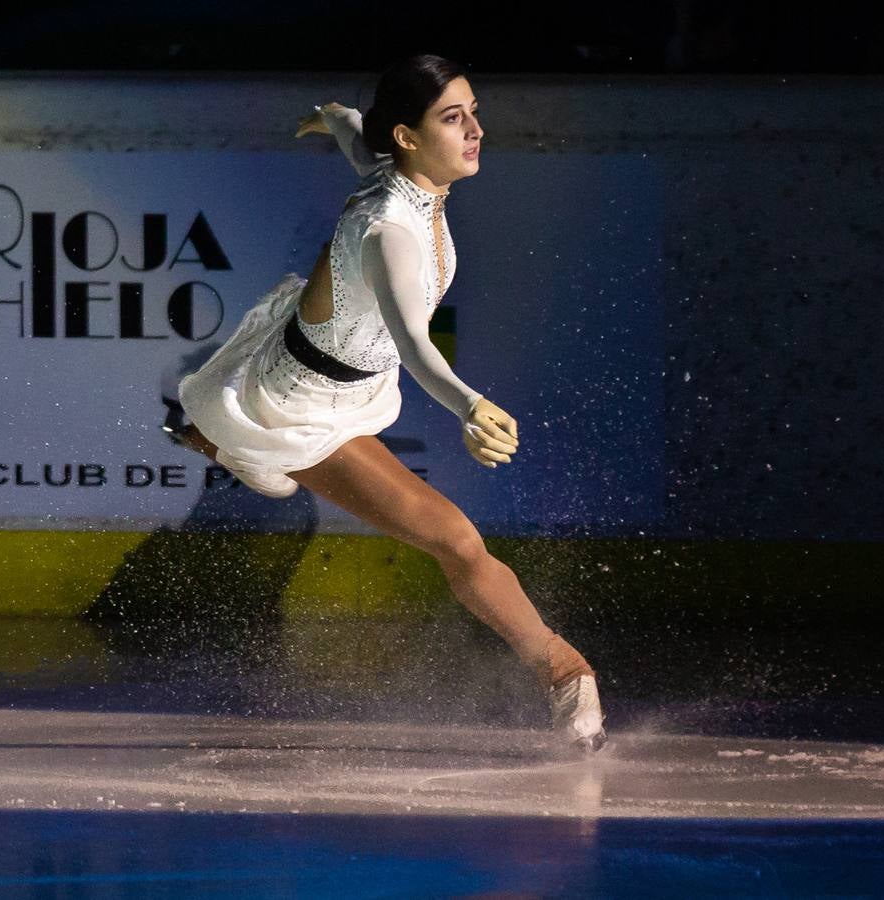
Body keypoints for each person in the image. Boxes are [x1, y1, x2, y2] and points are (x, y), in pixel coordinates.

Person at [167, 53, 606, 751]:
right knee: (455, 540)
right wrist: (469, 406)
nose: (476, 131)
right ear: (407, 136)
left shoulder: (395, 171)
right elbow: (414, 344)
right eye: (453, 118)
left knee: (296, 487)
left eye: (474, 113)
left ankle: (221, 439)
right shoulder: (389, 231)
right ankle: (565, 673)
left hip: (350, 381)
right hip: (303, 402)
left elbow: (357, 134)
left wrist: (332, 116)